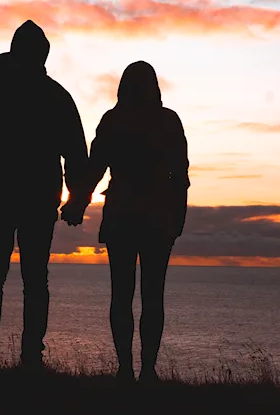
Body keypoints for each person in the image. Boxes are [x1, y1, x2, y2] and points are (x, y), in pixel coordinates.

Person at [0, 20, 90, 371]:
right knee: (30, 279)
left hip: (7, 196)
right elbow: (76, 152)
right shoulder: (54, 95)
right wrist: (76, 198)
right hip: (31, 196)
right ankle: (23, 356)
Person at [62, 61, 189, 383]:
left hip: (123, 214)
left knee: (122, 294)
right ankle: (146, 370)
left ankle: (126, 370)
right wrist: (177, 218)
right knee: (152, 296)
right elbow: (180, 176)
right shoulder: (168, 120)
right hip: (158, 216)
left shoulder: (114, 120)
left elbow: (95, 168)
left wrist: (77, 203)